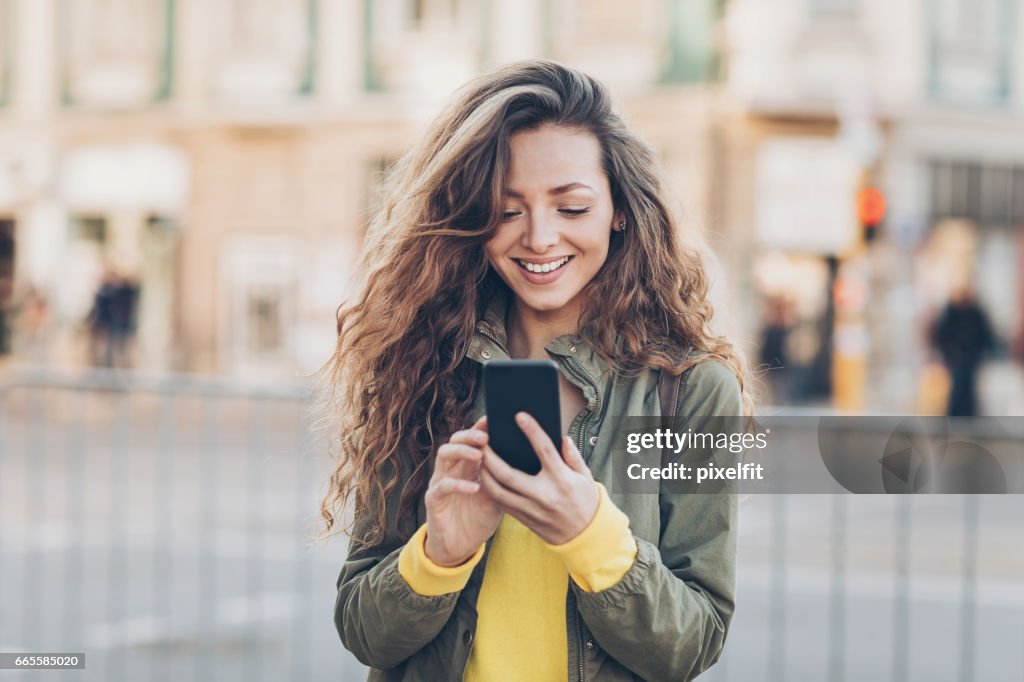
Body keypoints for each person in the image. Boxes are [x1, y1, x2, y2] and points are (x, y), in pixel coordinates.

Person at [319, 60, 752, 682]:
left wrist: (591, 535)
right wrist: (440, 554)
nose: (540, 238)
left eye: (572, 206)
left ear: (619, 210)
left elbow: (691, 644)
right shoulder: (420, 364)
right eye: (508, 208)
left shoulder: (691, 389)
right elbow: (365, 632)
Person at [930, 284, 996, 417]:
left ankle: (968, 415)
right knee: (958, 385)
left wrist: (981, 350)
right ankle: (955, 414)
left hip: (972, 357)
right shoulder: (951, 312)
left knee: (969, 386)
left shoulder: (976, 313)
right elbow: (941, 334)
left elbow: (985, 334)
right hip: (956, 356)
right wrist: (948, 351)